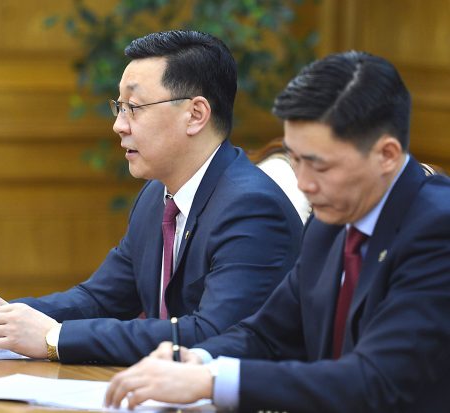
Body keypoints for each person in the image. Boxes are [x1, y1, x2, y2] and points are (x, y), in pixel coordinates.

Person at [105, 51, 450, 411]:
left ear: (387, 155)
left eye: (320, 166)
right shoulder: (330, 223)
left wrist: (211, 381)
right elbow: (267, 335)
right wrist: (198, 360)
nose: (304, 184)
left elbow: (375, 379)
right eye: (295, 160)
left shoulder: (438, 229)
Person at [0, 30, 303, 365]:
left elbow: (212, 335)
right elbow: (101, 298)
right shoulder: (156, 195)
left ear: (195, 115)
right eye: (119, 107)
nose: (119, 125)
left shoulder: (252, 208)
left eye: (134, 107)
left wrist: (55, 338)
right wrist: (10, 316)